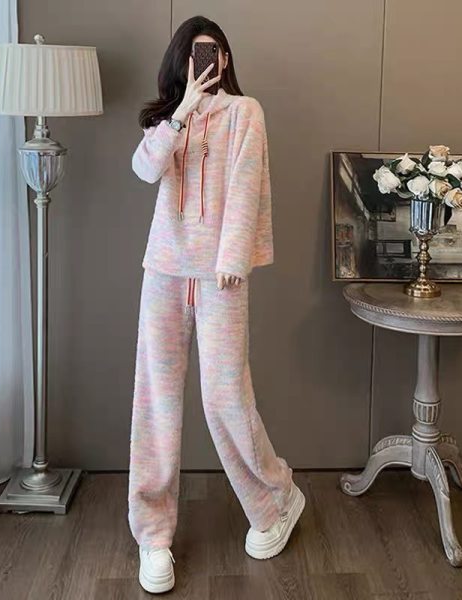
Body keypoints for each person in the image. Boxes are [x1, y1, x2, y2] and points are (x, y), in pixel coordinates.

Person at [128, 15, 305, 594]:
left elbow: (247, 184)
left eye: (215, 52)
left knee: (224, 396)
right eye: (195, 53)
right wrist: (181, 110)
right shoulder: (165, 120)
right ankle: (153, 535)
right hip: (164, 271)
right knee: (156, 399)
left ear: (225, 60)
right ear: (182, 61)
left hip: (221, 275)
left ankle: (277, 499)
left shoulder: (245, 112)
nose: (206, 61)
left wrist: (233, 257)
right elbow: (144, 170)